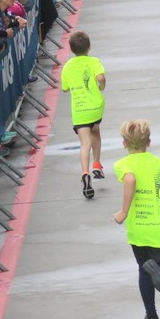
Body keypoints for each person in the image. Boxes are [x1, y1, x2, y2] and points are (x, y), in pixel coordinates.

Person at [111, 119, 160, 319]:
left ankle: (152, 317)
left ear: (124, 144)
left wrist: (123, 211)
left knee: (144, 269)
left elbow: (130, 180)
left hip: (139, 227)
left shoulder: (122, 165)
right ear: (149, 142)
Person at [60, 31, 106, 200]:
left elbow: (64, 88)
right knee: (96, 131)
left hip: (79, 110)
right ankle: (97, 164)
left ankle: (85, 173)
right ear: (89, 46)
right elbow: (100, 77)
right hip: (95, 106)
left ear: (71, 49)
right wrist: (101, 86)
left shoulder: (68, 66)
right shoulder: (94, 62)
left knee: (84, 143)